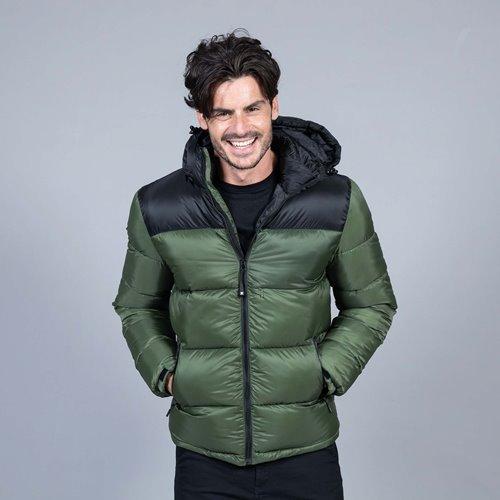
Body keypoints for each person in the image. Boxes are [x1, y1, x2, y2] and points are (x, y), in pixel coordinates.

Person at [112, 28, 398, 499]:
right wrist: (169, 373)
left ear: (274, 107)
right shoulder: (159, 206)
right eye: (223, 112)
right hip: (205, 456)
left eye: (252, 108)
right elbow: (136, 305)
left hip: (306, 451)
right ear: (202, 118)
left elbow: (372, 303)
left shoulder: (335, 201)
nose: (240, 128)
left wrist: (324, 372)